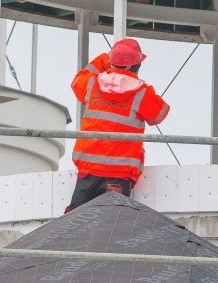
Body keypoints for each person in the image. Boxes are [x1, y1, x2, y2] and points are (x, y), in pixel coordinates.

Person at [67, 38, 169, 211]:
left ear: (111, 62)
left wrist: (106, 58)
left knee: (76, 221)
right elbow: (159, 114)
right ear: (135, 65)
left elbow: (77, 80)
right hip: (119, 174)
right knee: (112, 226)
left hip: (88, 171)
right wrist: (145, 88)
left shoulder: (92, 84)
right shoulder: (141, 93)